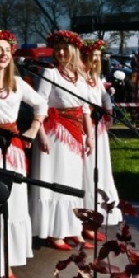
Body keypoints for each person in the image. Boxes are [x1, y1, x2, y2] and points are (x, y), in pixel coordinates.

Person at [0, 29, 47, 278]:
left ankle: (6, 262)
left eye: (7, 49)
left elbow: (41, 104)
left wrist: (34, 129)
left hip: (13, 149)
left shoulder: (17, 84)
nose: (4, 53)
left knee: (13, 205)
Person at [30, 30, 94, 251]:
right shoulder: (50, 74)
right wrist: (41, 135)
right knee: (57, 180)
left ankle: (74, 228)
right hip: (56, 133)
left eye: (65, 48)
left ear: (74, 50)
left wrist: (90, 136)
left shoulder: (81, 76)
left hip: (76, 134)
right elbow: (40, 105)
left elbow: (85, 108)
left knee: (73, 182)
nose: (61, 52)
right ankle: (55, 232)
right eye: (57, 49)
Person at [80, 39, 123, 236]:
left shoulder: (96, 78)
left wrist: (109, 111)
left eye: (98, 56)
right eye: (92, 56)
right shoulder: (79, 78)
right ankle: (86, 217)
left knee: (101, 169)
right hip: (84, 127)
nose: (96, 59)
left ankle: (100, 212)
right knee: (88, 172)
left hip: (99, 128)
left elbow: (104, 96)